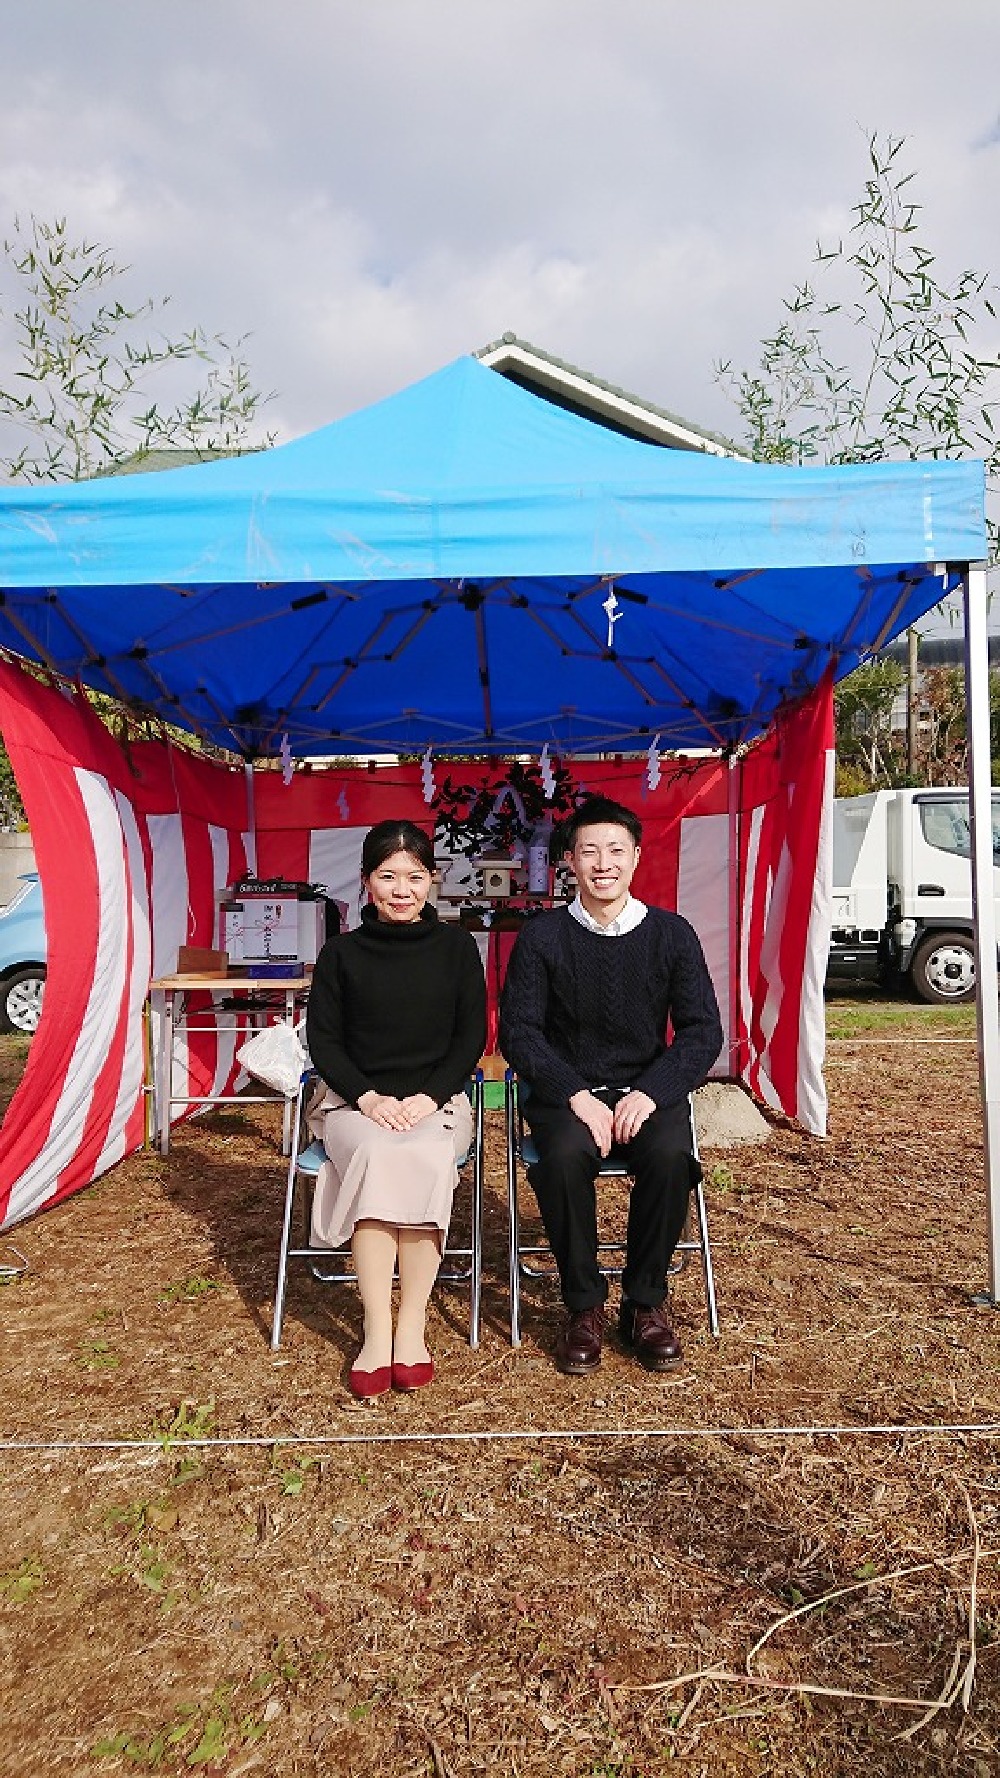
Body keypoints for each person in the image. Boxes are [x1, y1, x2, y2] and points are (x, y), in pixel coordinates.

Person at [499, 795, 723, 1376]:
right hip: (565, 1093)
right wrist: (575, 1094)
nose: (603, 863)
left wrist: (650, 1092)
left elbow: (703, 1031)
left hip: (645, 1088)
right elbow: (520, 1034)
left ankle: (644, 1302)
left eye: (615, 850)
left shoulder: (671, 934)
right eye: (589, 851)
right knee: (566, 1154)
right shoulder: (543, 936)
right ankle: (583, 1306)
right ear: (569, 860)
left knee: (671, 1155)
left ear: (637, 857)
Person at [306, 820, 487, 1399]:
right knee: (382, 1153)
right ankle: (375, 1330)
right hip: (353, 1103)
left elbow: (470, 1039)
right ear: (366, 883)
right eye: (388, 876)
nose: (402, 889)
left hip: (438, 1103)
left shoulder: (458, 948)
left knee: (428, 1155)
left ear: (432, 881)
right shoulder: (340, 954)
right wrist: (370, 1098)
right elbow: (325, 1042)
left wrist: (428, 1098)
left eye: (414, 876)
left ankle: (410, 1326)